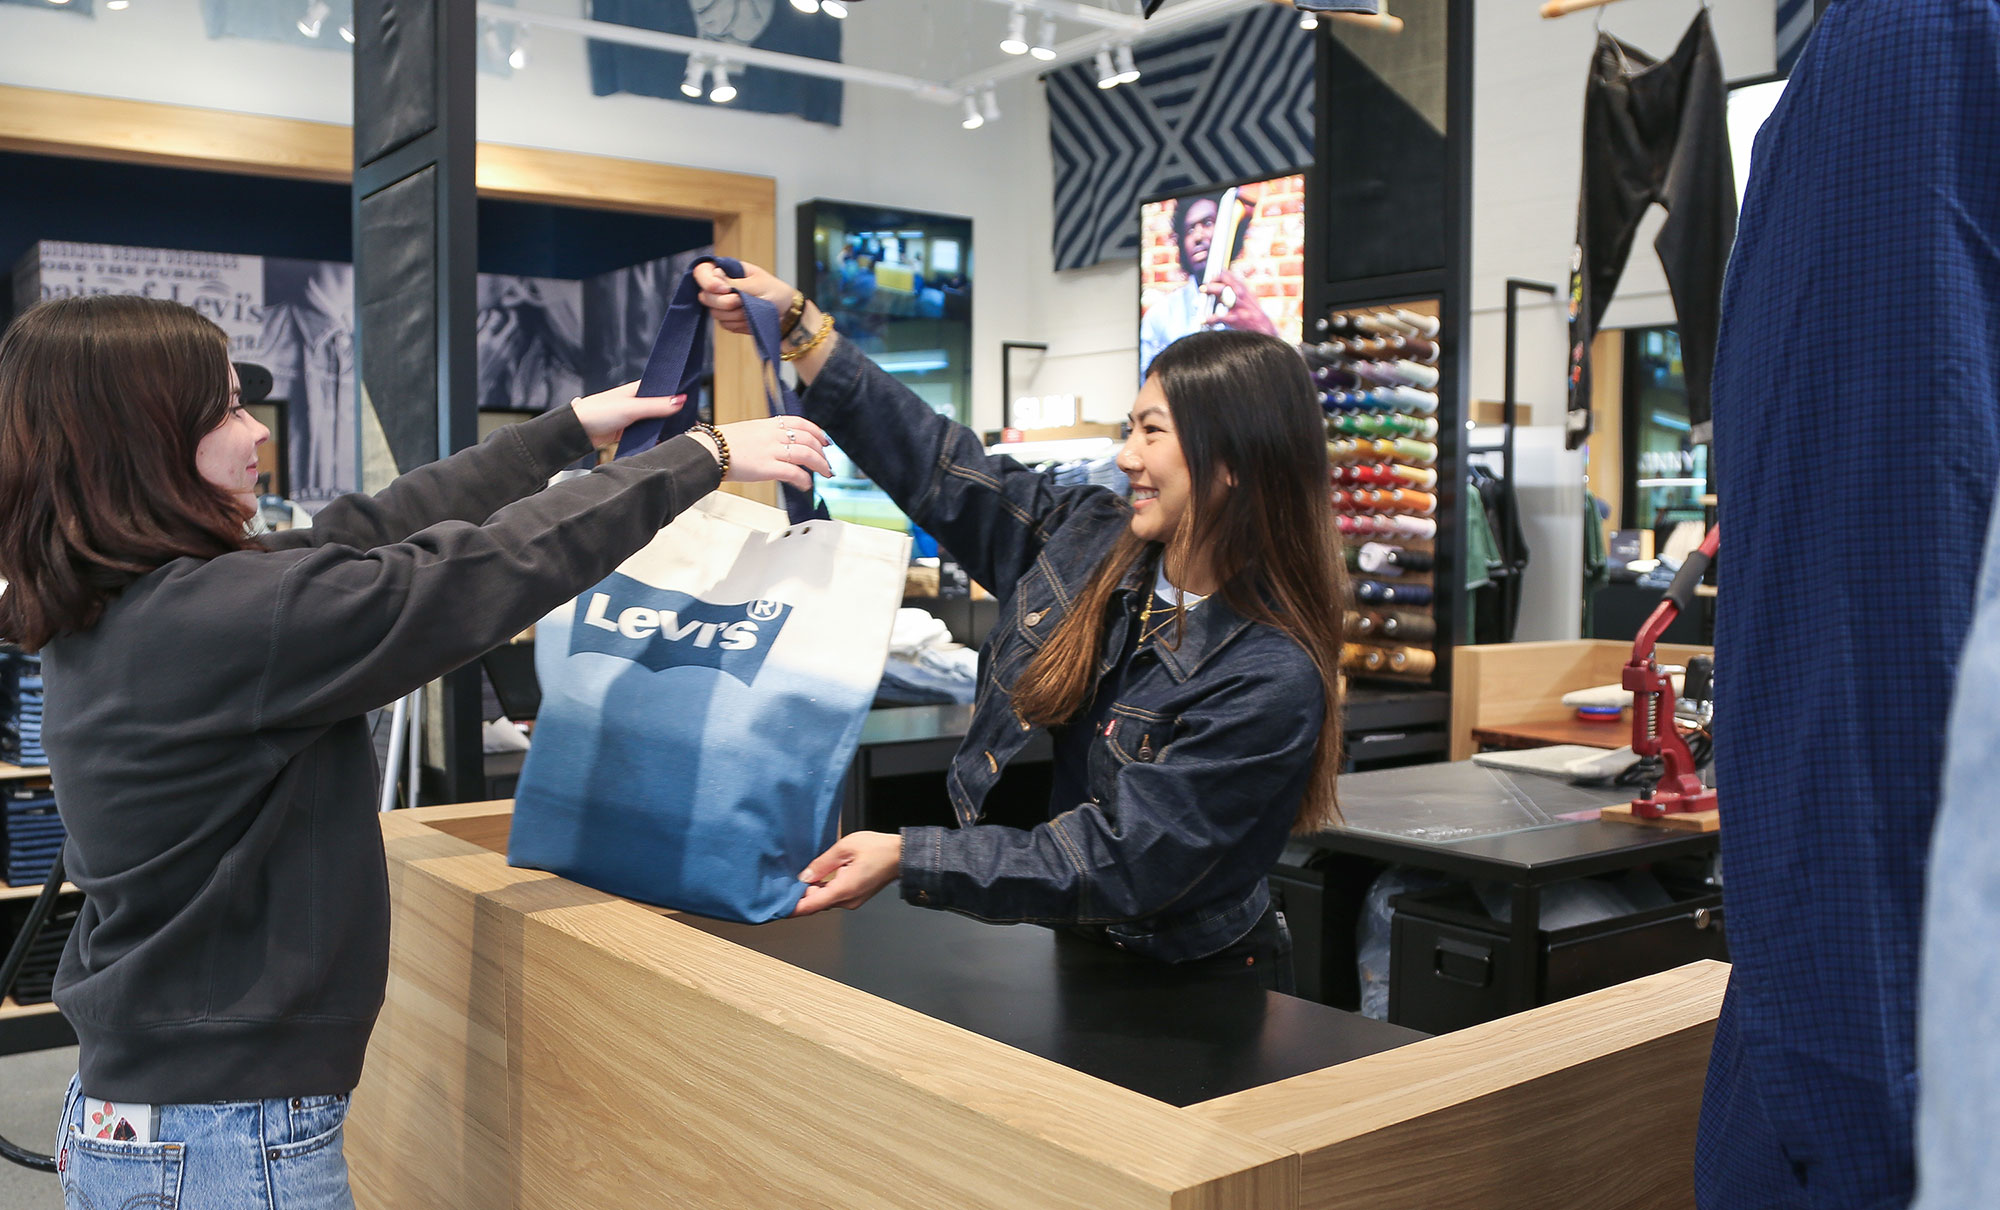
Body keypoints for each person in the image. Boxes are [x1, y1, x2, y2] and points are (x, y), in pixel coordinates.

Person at [0, 294, 830, 1209]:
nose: (256, 435)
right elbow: (479, 574)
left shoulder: (132, 602)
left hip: (155, 1119)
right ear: (145, 445)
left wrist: (564, 432)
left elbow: (368, 526)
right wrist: (700, 459)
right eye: (228, 410)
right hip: (224, 1141)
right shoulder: (226, 619)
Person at [696, 260, 1347, 990]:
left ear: (1233, 461)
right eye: (1129, 428)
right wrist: (801, 326)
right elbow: (944, 469)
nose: (1125, 455)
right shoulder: (1089, 544)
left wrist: (912, 856)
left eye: (1152, 433)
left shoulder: (1268, 673)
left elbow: (1127, 861)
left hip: (1197, 982)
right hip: (1078, 949)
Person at [1138, 191, 1278, 376]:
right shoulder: (1159, 318)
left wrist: (1264, 331)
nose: (1198, 236)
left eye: (1207, 223)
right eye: (1189, 230)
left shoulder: (1252, 310)